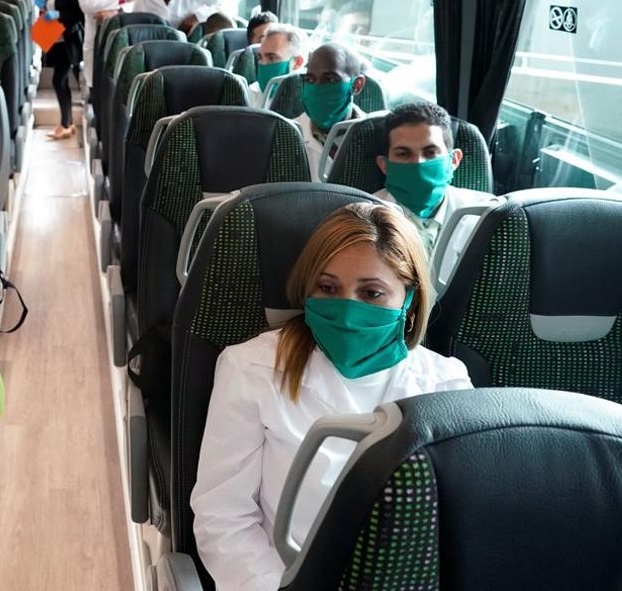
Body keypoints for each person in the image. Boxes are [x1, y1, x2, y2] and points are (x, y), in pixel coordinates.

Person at [191, 202, 471, 591]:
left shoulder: (446, 386)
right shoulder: (251, 369)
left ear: (408, 298)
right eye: (328, 288)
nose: (347, 310)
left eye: (371, 293)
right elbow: (223, 516)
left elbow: (455, 531)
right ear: (307, 290)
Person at [374, 102, 497, 278]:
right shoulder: (362, 216)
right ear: (384, 165)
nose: (418, 163)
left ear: (454, 160)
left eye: (430, 153)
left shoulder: (488, 214)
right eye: (403, 154)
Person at [294, 43, 368, 178]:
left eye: (330, 79)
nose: (317, 88)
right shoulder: (287, 135)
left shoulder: (377, 135)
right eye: (310, 79)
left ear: (357, 85)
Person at [40, 0, 84, 139]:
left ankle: (65, 124)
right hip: (54, 38)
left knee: (58, 80)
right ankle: (69, 123)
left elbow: (78, 15)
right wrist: (43, 10)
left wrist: (57, 15)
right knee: (62, 81)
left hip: (68, 40)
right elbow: (49, 9)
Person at [249, 24, 305, 108]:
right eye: (260, 58)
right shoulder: (252, 92)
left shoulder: (308, 104)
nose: (263, 64)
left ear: (297, 62)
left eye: (272, 58)